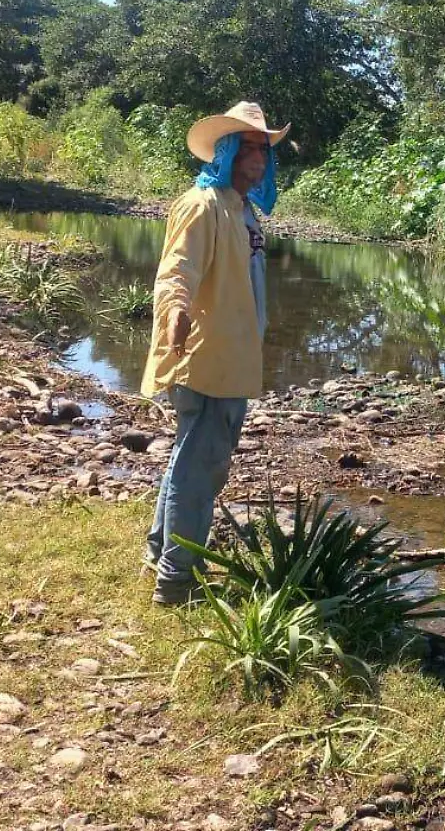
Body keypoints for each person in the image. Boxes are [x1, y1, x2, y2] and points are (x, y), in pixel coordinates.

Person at [140, 101, 287, 606]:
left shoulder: (241, 208)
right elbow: (176, 268)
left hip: (232, 353)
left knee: (191, 456)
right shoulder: (201, 204)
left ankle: (160, 551)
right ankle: (177, 580)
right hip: (204, 353)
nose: (259, 158)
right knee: (202, 463)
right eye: (248, 147)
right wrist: (176, 308)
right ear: (225, 151)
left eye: (263, 149)